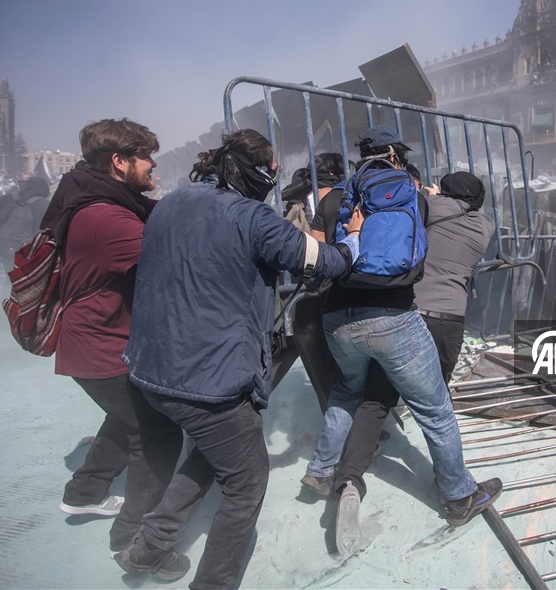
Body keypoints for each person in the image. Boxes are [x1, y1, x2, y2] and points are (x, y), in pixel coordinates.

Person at [115, 129, 362, 587]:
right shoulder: (251, 217)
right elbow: (321, 261)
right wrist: (353, 240)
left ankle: (147, 547)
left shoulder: (170, 203)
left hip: (149, 369)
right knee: (246, 482)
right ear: (254, 171)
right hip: (207, 382)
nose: (273, 180)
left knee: (215, 457)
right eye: (270, 171)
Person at [301, 125, 502, 545]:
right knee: (435, 409)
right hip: (393, 315)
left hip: (337, 316)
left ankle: (321, 471)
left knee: (347, 391)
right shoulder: (410, 194)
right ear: (394, 155)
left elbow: (313, 262)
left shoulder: (333, 197)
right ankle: (459, 496)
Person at [41, 118, 183, 555]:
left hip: (93, 343)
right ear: (119, 162)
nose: (153, 163)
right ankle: (132, 540)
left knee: (126, 418)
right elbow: (179, 258)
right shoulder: (109, 218)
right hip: (102, 347)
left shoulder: (97, 200)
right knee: (157, 433)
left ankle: (84, 493)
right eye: (145, 156)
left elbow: (159, 213)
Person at [271, 152, 348, 413]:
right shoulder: (340, 197)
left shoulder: (297, 198)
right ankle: (353, 429)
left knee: (320, 370)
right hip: (330, 293)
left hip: (297, 294)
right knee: (339, 370)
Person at [0, 176, 50, 272]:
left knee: (9, 274)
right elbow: (48, 229)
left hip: (5, 246)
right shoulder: (45, 204)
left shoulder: (6, 198)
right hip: (28, 249)